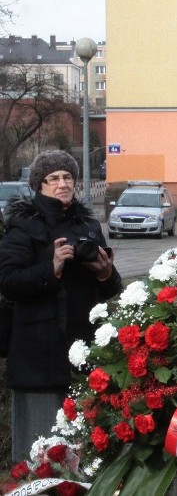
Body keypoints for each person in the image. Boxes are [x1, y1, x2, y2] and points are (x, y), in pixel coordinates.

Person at [0, 150, 122, 461]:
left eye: (67, 177)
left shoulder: (88, 225)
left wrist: (106, 273)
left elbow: (110, 286)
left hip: (84, 348)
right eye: (52, 179)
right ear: (38, 185)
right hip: (38, 352)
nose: (62, 183)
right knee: (38, 450)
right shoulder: (23, 226)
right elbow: (9, 281)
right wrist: (51, 268)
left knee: (84, 447)